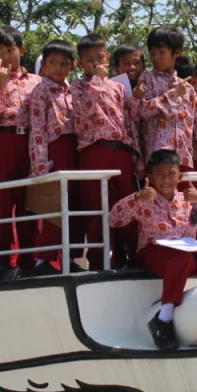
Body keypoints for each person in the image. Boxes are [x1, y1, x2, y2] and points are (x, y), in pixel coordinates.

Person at [108, 150, 197, 350]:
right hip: (152, 253)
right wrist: (137, 199)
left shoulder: (188, 200)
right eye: (160, 174)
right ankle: (164, 318)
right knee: (180, 259)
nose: (166, 179)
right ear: (150, 177)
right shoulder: (144, 200)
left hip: (185, 253)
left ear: (179, 176)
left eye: (171, 174)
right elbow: (114, 219)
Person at [72, 33, 143, 270]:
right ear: (81, 62)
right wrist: (96, 81)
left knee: (129, 206)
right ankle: (100, 263)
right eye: (89, 59)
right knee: (96, 210)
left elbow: (129, 122)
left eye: (99, 58)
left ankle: (135, 258)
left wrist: (137, 157)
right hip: (93, 151)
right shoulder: (77, 87)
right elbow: (83, 111)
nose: (95, 63)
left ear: (107, 57)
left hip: (120, 151)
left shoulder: (119, 87)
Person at [0, 25, 42, 278]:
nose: (5, 56)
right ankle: (1, 263)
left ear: (22, 50)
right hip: (2, 143)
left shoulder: (37, 82)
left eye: (10, 49)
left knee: (30, 203)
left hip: (30, 143)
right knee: (0, 204)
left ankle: (30, 262)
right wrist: (1, 86)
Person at [134, 26, 197, 172]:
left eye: (161, 52)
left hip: (184, 160)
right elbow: (142, 111)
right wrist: (172, 95)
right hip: (158, 162)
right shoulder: (146, 80)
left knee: (186, 196)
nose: (156, 57)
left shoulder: (188, 89)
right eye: (152, 53)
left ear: (177, 52)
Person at [27, 40, 78, 274]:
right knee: (52, 206)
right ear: (44, 65)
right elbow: (37, 127)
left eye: (64, 63)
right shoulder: (41, 90)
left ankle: (65, 257)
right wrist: (40, 162)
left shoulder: (71, 90)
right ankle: (44, 259)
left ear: (72, 66)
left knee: (71, 205)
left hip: (72, 149)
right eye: (53, 63)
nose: (58, 68)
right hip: (53, 150)